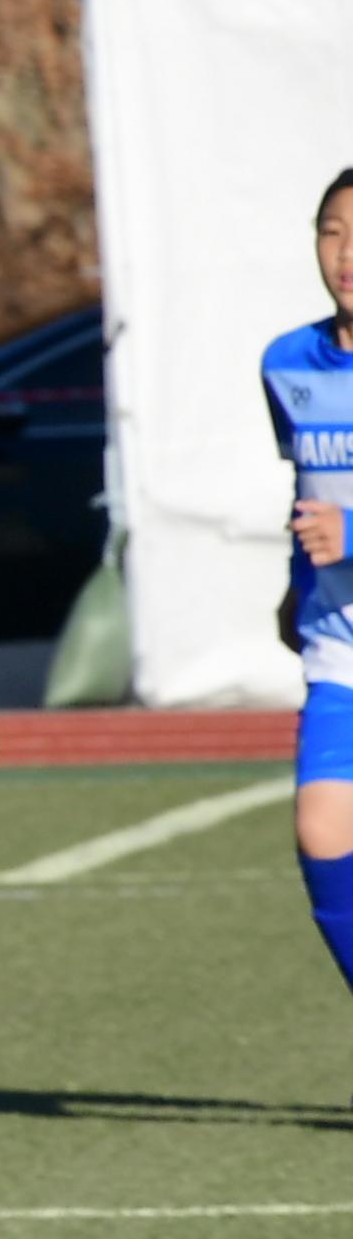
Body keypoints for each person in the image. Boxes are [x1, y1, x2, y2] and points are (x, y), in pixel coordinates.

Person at [262, 167, 353, 1015]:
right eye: (332, 230)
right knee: (322, 829)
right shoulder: (287, 362)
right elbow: (307, 488)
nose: (347, 252)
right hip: (343, 647)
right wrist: (298, 588)